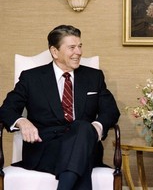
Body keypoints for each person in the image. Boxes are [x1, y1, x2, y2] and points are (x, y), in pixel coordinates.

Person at [0, 25, 120, 190]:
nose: (78, 52)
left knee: (82, 128)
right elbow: (6, 109)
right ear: (54, 52)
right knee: (80, 157)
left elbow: (111, 111)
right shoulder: (31, 78)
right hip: (45, 148)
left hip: (86, 144)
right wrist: (22, 121)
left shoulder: (93, 77)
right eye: (72, 47)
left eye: (80, 46)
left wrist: (96, 128)